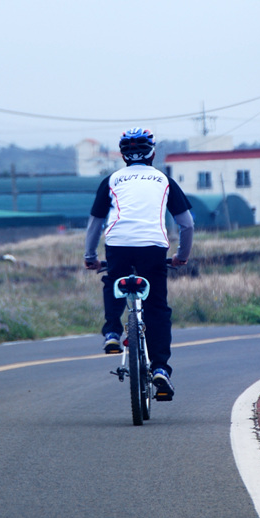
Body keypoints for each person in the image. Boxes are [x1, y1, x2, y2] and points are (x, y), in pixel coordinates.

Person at [84, 127, 194, 400]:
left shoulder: (111, 180)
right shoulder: (163, 180)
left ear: (123, 156)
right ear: (153, 153)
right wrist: (182, 256)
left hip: (118, 245)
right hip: (152, 247)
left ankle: (111, 332)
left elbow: (95, 225)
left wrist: (90, 257)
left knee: (113, 280)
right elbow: (187, 224)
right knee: (156, 307)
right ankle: (160, 369)